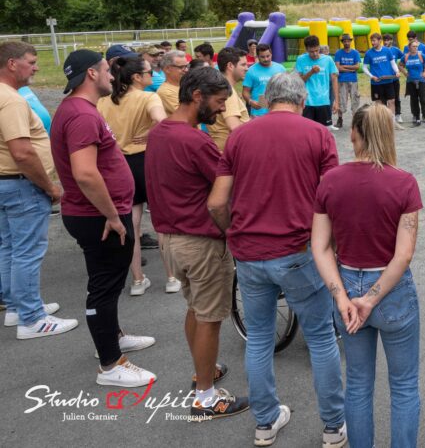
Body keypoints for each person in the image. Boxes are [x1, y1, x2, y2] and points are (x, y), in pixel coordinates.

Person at [208, 72, 347, 447]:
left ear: (268, 99)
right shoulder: (318, 134)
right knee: (320, 340)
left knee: (258, 340)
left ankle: (265, 422)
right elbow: (332, 196)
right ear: (302, 101)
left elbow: (217, 201)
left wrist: (231, 232)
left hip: (250, 253)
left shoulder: (239, 136)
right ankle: (333, 426)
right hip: (299, 250)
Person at [312, 104, 422, 448]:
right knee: (404, 385)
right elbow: (403, 254)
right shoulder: (403, 183)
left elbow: (320, 247)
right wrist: (371, 298)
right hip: (391, 291)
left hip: (346, 283)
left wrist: (343, 297)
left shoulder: (330, 181)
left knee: (358, 384)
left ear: (356, 134)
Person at [145, 67, 249, 419]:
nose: (222, 110)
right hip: (200, 241)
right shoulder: (195, 140)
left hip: (170, 239)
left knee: (195, 308)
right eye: (219, 102)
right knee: (209, 317)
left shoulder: (160, 133)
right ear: (197, 96)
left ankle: (204, 371)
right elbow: (224, 191)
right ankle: (205, 396)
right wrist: (232, 229)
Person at [50, 50, 156, 387]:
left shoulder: (78, 109)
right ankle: (111, 364)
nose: (113, 75)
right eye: (107, 70)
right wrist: (112, 215)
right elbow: (84, 174)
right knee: (104, 288)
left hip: (96, 213)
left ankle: (114, 336)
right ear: (92, 74)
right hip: (98, 216)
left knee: (107, 282)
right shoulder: (81, 114)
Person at [0, 42, 74, 339]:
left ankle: (17, 306)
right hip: (21, 184)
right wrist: (50, 186)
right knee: (27, 252)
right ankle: (32, 318)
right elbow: (22, 152)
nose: (37, 67)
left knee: (10, 248)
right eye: (31, 62)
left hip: (7, 183)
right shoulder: (12, 100)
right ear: (12, 64)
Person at [97, 53, 174, 296]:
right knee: (162, 222)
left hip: (119, 164)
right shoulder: (148, 97)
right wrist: (151, 134)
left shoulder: (104, 101)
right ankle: (172, 277)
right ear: (137, 77)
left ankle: (138, 280)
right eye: (150, 72)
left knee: (132, 223)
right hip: (146, 161)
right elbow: (163, 123)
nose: (154, 75)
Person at [207, 47, 250, 151]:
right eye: (243, 64)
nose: (247, 68)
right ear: (230, 66)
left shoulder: (221, 87)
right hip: (231, 150)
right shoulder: (226, 91)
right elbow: (234, 126)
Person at [296, 35, 340, 129]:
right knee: (307, 131)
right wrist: (311, 72)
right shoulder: (301, 59)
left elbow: (334, 79)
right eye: (311, 51)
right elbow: (299, 81)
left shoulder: (328, 60)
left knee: (324, 131)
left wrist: (336, 101)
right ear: (306, 49)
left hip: (323, 102)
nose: (315, 54)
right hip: (307, 103)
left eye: (317, 50)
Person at [364, 33, 401, 122]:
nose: (372, 43)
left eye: (374, 40)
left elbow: (393, 63)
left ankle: (392, 121)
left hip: (388, 81)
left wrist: (397, 71)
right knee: (379, 104)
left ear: (380, 41)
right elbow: (364, 67)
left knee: (391, 101)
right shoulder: (369, 53)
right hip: (376, 83)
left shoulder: (387, 51)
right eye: (371, 41)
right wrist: (371, 76)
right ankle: (381, 121)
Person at [242, 43, 285, 118]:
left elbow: (287, 88)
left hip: (278, 111)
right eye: (262, 57)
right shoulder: (251, 70)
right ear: (257, 57)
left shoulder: (280, 68)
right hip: (258, 113)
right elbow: (245, 91)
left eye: (268, 56)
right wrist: (250, 101)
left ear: (271, 54)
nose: (266, 59)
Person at [401, 35, 425, 128]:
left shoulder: (421, 55)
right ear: (409, 47)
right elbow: (399, 65)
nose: (415, 48)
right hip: (411, 81)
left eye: (416, 46)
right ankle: (417, 118)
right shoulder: (406, 56)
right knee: (414, 100)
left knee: (423, 100)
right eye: (413, 46)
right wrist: (405, 73)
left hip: (421, 81)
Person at [334, 34, 362, 129]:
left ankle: (355, 121)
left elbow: (357, 66)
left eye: (348, 41)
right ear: (342, 42)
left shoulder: (355, 53)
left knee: (355, 99)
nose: (346, 43)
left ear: (351, 41)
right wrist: (350, 69)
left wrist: (344, 67)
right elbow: (337, 67)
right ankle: (340, 119)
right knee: (342, 100)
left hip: (353, 80)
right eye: (344, 41)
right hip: (342, 80)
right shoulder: (339, 53)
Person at [157, 50, 190, 116]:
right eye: (181, 67)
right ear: (167, 69)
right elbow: (186, 114)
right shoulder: (165, 92)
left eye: (186, 66)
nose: (186, 70)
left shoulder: (185, 85)